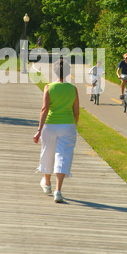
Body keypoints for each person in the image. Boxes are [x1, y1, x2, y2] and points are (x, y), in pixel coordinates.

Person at [33, 58, 79, 203]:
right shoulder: (73, 89)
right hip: (68, 125)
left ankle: (47, 184)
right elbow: (76, 112)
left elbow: (44, 109)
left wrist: (39, 130)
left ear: (54, 71)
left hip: (50, 125)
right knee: (63, 155)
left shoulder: (49, 87)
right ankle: (58, 191)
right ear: (68, 72)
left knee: (47, 153)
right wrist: (73, 126)